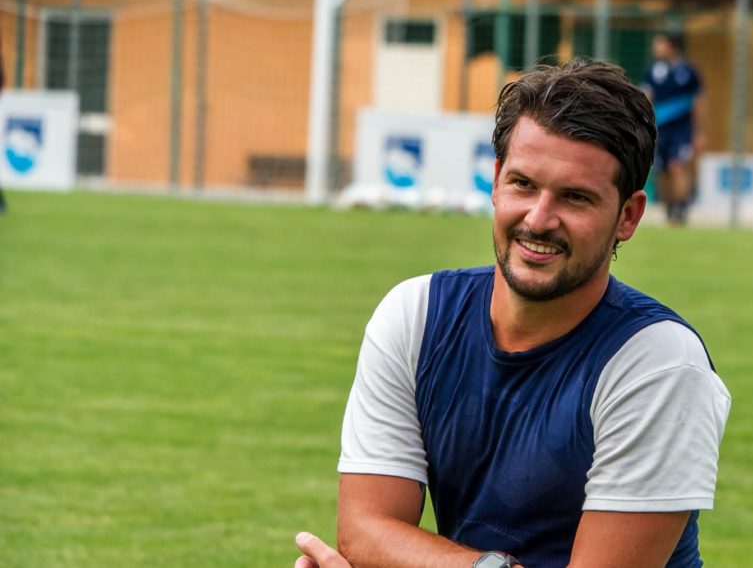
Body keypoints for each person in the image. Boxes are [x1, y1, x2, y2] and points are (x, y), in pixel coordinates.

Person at [294, 59, 731, 568]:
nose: (539, 219)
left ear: (628, 216)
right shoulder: (415, 316)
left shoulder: (658, 362)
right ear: (497, 180)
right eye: (523, 184)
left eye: (575, 197)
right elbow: (366, 532)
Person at [642, 31, 705, 227]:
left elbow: (699, 102)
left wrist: (699, 132)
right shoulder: (653, 70)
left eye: (660, 44)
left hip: (682, 130)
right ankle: (669, 209)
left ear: (672, 46)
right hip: (660, 129)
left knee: (677, 166)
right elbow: (647, 96)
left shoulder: (688, 71)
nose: (656, 48)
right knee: (661, 170)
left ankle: (681, 208)